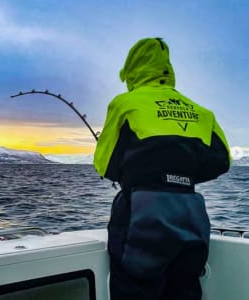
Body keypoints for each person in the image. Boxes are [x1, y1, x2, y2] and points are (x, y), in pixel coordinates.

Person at [94, 38, 230, 300]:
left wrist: (142, 172)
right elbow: (222, 160)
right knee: (184, 290)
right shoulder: (202, 112)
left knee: (135, 287)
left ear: (132, 68)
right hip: (191, 213)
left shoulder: (126, 103)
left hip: (143, 212)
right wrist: (180, 175)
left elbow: (105, 163)